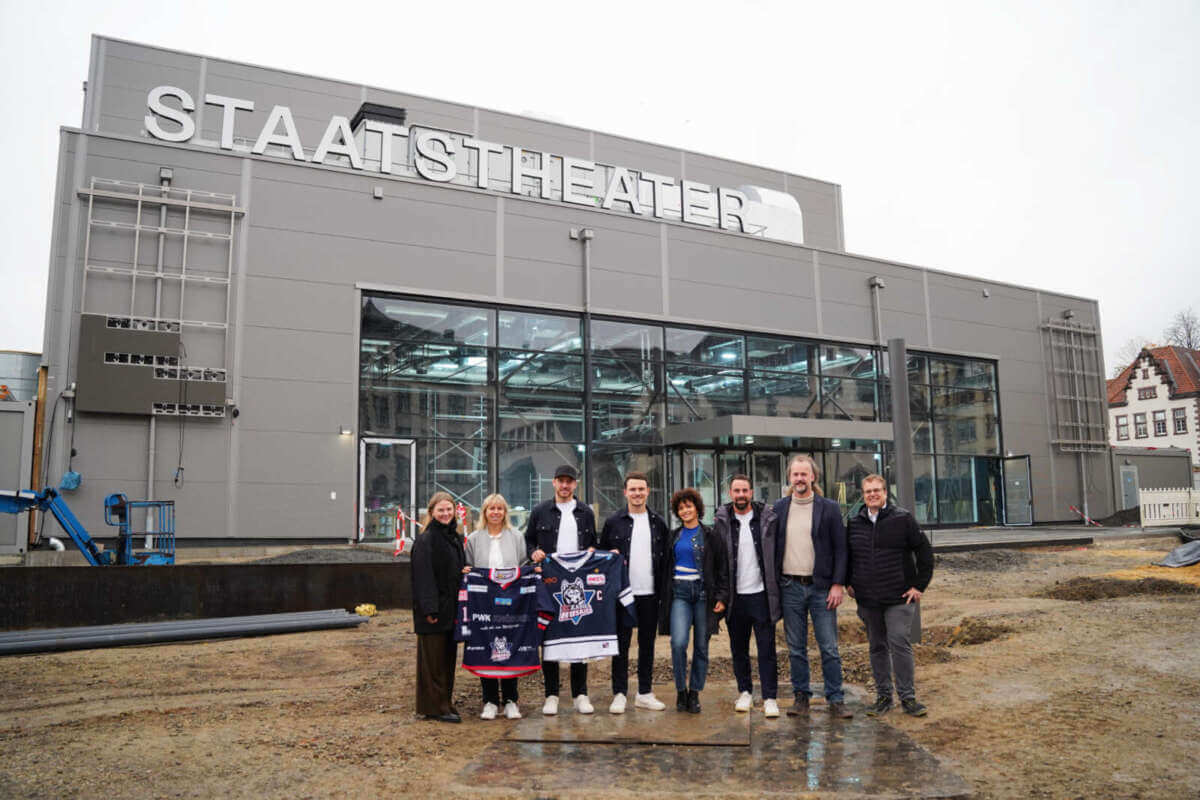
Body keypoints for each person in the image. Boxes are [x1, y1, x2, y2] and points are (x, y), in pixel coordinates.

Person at [765, 455, 853, 718]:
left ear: (813, 477)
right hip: (790, 586)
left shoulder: (829, 508)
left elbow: (841, 550)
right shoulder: (778, 509)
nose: (800, 479)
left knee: (829, 647)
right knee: (795, 648)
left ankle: (836, 699)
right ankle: (801, 697)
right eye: (795, 475)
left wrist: (838, 584)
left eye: (805, 474)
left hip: (822, 589)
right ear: (789, 478)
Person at [846, 473, 934, 717]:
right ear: (863, 495)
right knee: (877, 647)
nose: (872, 494)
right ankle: (883, 697)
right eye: (868, 491)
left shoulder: (903, 519)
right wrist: (848, 583)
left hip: (898, 598)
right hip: (868, 599)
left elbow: (925, 552)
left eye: (877, 490)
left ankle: (908, 698)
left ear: (885, 493)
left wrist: (919, 586)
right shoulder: (855, 522)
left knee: (899, 643)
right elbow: (848, 557)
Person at [524, 464, 597, 715]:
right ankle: (551, 695)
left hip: (578, 584)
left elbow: (593, 544)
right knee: (550, 638)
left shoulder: (586, 512)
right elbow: (529, 540)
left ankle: (580, 694)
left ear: (575, 484)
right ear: (553, 483)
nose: (565, 486)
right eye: (560, 481)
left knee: (580, 636)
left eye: (570, 481)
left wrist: (592, 553)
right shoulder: (540, 511)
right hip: (549, 583)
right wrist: (533, 552)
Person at [598, 471, 670, 714]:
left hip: (650, 593)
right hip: (622, 595)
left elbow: (666, 561)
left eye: (641, 489)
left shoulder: (658, 523)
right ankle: (619, 693)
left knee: (647, 645)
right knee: (621, 645)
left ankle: (645, 693)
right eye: (633, 489)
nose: (637, 493)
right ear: (625, 492)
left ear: (648, 492)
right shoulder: (613, 522)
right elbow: (602, 557)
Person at [713, 474, 780, 718]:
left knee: (766, 649)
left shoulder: (766, 518)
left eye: (745, 490)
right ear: (730, 493)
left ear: (751, 493)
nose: (741, 495)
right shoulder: (721, 522)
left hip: (761, 595)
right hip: (735, 597)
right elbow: (717, 561)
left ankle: (770, 697)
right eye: (736, 491)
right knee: (738, 648)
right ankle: (745, 691)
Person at [659, 487, 729, 714]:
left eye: (689, 506)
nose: (685, 510)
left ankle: (695, 693)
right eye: (681, 508)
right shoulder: (673, 536)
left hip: (703, 595)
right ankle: (681, 691)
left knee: (701, 646)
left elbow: (722, 569)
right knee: (678, 643)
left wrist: (721, 597)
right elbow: (664, 568)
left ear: (697, 508)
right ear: (677, 512)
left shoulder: (711, 535)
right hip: (679, 593)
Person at [463, 493, 527, 721]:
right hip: (483, 605)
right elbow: (469, 566)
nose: (496, 512)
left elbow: (523, 566)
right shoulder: (473, 538)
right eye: (491, 509)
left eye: (500, 508)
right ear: (485, 512)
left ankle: (510, 700)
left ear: (505, 512)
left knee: (509, 648)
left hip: (511, 604)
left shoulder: (517, 537)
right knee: (486, 648)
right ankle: (489, 700)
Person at [410, 491, 466, 723]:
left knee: (446, 659)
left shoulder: (453, 537)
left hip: (450, 608)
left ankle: (444, 702)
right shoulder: (427, 540)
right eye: (441, 510)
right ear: (432, 512)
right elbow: (423, 577)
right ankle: (434, 707)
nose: (445, 514)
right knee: (432, 662)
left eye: (449, 509)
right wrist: (430, 609)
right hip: (433, 612)